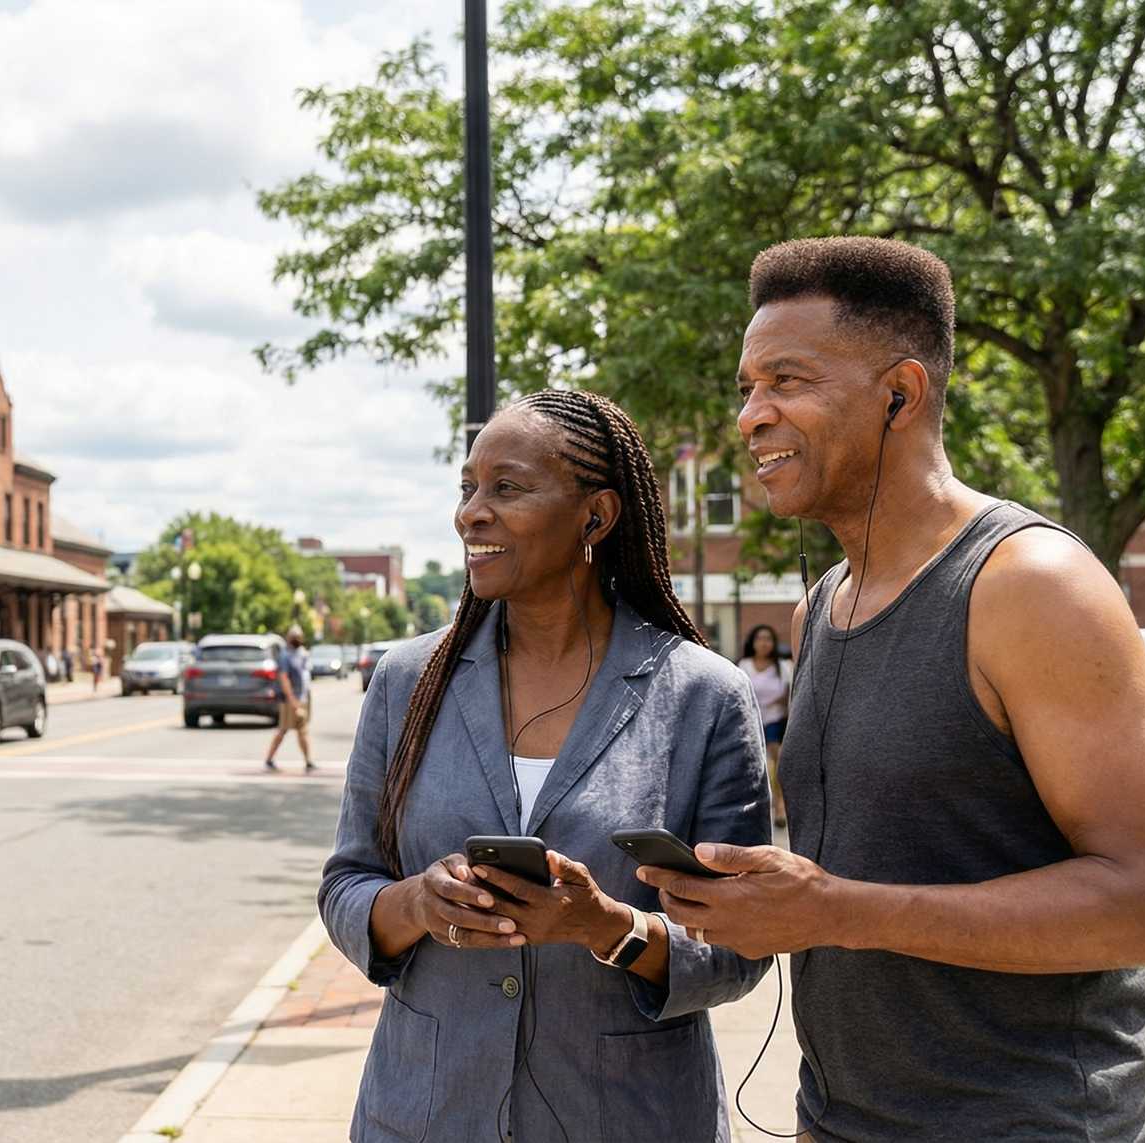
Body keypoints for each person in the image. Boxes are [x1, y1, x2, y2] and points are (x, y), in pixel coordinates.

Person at [638, 237, 1145, 1141]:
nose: (751, 416)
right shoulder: (819, 607)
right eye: (747, 387)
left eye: (786, 381)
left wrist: (834, 911)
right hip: (841, 1119)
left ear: (900, 392)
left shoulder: (1031, 584)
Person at [322, 389, 770, 1143]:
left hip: (626, 1117)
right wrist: (418, 904)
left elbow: (741, 944)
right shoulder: (406, 680)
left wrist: (606, 926)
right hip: (429, 1114)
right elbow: (346, 884)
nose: (471, 512)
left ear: (595, 517)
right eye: (467, 487)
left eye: (508, 487)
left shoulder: (702, 695)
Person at [739, 625, 790, 826]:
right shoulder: (744, 666)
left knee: (778, 764)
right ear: (753, 642)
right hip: (750, 720)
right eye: (759, 638)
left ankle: (779, 807)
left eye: (768, 639)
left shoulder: (783, 667)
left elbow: (789, 697)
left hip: (775, 722)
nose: (764, 643)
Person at [262, 626, 314, 772]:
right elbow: (284, 678)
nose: (297, 639)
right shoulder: (285, 656)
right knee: (283, 729)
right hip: (290, 700)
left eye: (299, 636)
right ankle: (269, 759)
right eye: (294, 636)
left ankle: (308, 761)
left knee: (302, 730)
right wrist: (292, 699)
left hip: (302, 698)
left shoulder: (303, 653)